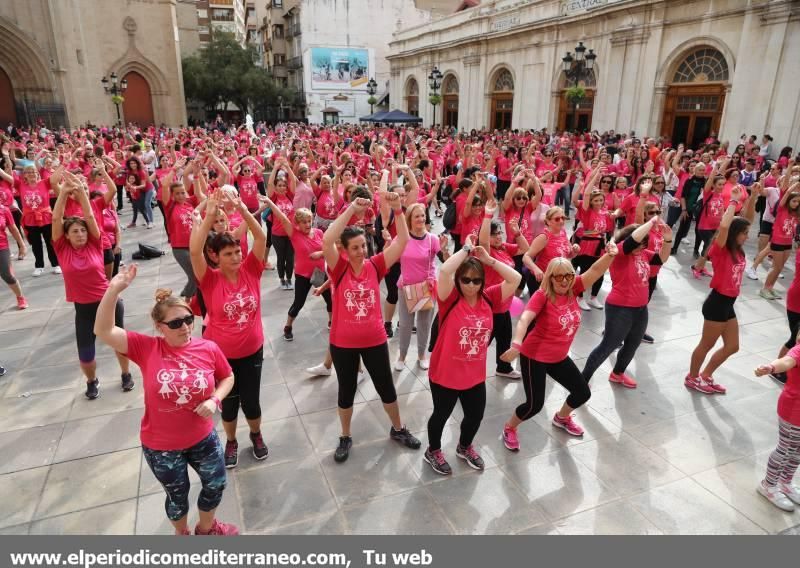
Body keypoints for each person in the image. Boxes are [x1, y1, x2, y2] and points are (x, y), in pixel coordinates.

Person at [93, 267, 238, 535]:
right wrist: (113, 290)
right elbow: (103, 330)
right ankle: (181, 534)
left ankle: (207, 529)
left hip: (202, 438)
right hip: (162, 447)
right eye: (175, 323)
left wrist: (215, 399)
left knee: (216, 483)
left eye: (188, 319)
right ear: (160, 327)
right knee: (177, 497)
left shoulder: (208, 348)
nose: (184, 327)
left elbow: (228, 377)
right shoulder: (147, 348)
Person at [322, 185, 421, 464]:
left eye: (363, 246)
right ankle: (345, 435)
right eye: (355, 248)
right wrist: (351, 210)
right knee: (346, 389)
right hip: (342, 343)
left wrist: (399, 209)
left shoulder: (375, 265)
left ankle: (398, 428)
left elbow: (402, 242)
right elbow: (327, 240)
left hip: (375, 339)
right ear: (345, 249)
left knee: (386, 387)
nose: (360, 251)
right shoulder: (338, 267)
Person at [500, 243, 618, 448]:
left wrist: (610, 254)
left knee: (582, 392)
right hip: (534, 356)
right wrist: (516, 344)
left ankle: (561, 418)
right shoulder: (542, 295)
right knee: (534, 406)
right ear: (550, 277)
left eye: (569, 276)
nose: (565, 281)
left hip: (558, 356)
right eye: (559, 276)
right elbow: (525, 319)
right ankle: (510, 427)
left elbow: (596, 270)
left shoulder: (575, 287)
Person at [423, 234, 521, 475]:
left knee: (475, 416)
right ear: (459, 280)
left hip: (474, 375)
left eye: (476, 280)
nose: (470, 285)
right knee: (441, 415)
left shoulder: (490, 297)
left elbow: (516, 278)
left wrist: (488, 260)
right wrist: (466, 249)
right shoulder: (449, 299)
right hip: (445, 374)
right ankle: (433, 450)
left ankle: (464, 447)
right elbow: (444, 271)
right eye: (465, 280)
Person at [190, 187, 269, 468]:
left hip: (252, 350)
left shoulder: (251, 269)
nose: (236, 257)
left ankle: (256, 434)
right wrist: (210, 213)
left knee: (252, 401)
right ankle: (232, 441)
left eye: (237, 251)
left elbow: (260, 236)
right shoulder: (209, 280)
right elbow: (194, 251)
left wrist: (243, 210)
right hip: (221, 356)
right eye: (228, 253)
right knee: (230, 403)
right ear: (216, 257)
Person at [51, 172, 132, 398]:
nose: (80, 234)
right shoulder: (62, 249)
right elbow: (56, 219)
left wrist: (81, 193)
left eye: (83, 230)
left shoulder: (95, 244)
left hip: (109, 302)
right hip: (84, 310)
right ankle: (91, 380)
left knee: (120, 343)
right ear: (65, 236)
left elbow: (89, 216)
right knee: (86, 354)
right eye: (74, 231)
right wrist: (65, 193)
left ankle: (126, 374)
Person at [580, 215, 672, 389]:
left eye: (646, 243)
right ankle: (582, 381)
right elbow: (633, 240)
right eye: (640, 242)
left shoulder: (644, 253)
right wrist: (651, 222)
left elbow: (661, 258)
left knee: (633, 343)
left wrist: (667, 239)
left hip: (640, 308)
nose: (643, 246)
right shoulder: (620, 251)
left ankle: (617, 373)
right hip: (620, 308)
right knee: (609, 345)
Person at [686, 185, 757, 394]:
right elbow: (725, 227)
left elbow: (748, 218)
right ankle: (692, 377)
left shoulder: (739, 251)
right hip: (717, 302)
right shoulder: (721, 249)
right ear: (735, 234)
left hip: (729, 303)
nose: (747, 236)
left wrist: (752, 197)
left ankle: (706, 375)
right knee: (706, 344)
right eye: (744, 233)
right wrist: (733, 202)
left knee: (732, 346)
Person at [265, 197, 332, 341]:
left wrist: (320, 253)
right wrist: (270, 203)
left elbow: (330, 250)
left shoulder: (319, 233)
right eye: (304, 222)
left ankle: (332, 322)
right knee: (298, 303)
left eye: (309, 221)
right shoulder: (294, 234)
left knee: (330, 300)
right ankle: (288, 327)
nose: (307, 224)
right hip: (303, 275)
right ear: (298, 224)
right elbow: (282, 218)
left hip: (319, 272)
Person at [478, 202, 528, 379]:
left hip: (504, 306)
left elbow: (525, 249)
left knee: (505, 339)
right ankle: (467, 369)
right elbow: (483, 241)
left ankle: (503, 368)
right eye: (494, 234)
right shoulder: (486, 252)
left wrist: (517, 232)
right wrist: (487, 216)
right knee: (481, 344)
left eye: (499, 233)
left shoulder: (505, 247)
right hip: (490, 306)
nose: (498, 237)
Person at [394, 202, 446, 371]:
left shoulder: (432, 239)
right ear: (409, 219)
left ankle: (422, 355)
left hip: (427, 288)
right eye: (417, 216)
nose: (421, 219)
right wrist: (388, 243)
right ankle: (402, 356)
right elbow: (390, 258)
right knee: (405, 324)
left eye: (423, 215)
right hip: (406, 288)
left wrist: (444, 250)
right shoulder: (402, 238)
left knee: (424, 324)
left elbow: (446, 261)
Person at [753, 352, 800, 512]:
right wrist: (771, 367)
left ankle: (785, 482)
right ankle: (768, 485)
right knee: (786, 449)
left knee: (798, 451)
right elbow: (787, 361)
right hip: (794, 409)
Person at [161, 161, 205, 299]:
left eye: (183, 193)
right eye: (177, 194)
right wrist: (174, 169)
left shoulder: (189, 203)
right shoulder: (169, 207)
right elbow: (164, 185)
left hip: (195, 245)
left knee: (199, 274)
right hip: (180, 248)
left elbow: (199, 195)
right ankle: (186, 298)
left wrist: (197, 175)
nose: (181, 196)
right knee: (193, 275)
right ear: (172, 195)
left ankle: (190, 299)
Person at [749, 182, 800, 300]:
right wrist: (797, 182)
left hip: (788, 243)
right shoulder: (782, 209)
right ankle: (765, 289)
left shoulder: (796, 214)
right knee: (776, 267)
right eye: (794, 201)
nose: (796, 203)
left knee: (780, 267)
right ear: (788, 201)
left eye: (798, 201)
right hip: (777, 242)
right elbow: (787, 192)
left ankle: (770, 287)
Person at [0, 198, 27, 308]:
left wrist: (22, 245)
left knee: (7, 275)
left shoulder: (4, 210)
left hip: (2, 247)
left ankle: (20, 297)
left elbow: (13, 229)